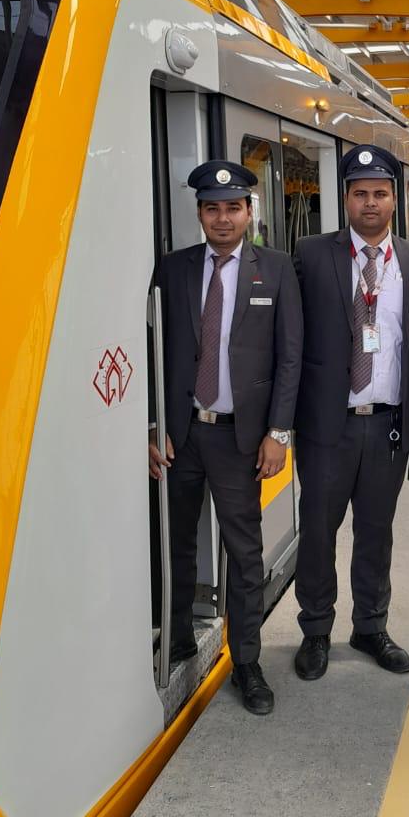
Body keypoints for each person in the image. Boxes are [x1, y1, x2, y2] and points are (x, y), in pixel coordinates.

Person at [148, 160, 302, 715]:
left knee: (245, 553)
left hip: (242, 439)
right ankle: (181, 637)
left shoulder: (277, 270)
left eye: (232, 207)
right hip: (182, 435)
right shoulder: (173, 269)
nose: (222, 218)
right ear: (199, 214)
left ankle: (248, 662)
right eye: (211, 209)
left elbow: (290, 358)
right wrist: (152, 424)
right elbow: (154, 352)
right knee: (175, 542)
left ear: (249, 212)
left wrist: (278, 433)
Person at [291, 144, 409, 682]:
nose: (370, 203)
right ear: (346, 199)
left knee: (377, 531)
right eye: (360, 194)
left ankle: (370, 626)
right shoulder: (310, 254)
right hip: (326, 427)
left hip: (389, 425)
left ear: (395, 200)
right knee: (318, 532)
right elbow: (291, 342)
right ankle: (315, 630)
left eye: (380, 194)